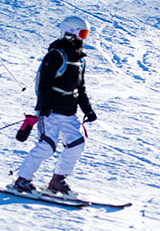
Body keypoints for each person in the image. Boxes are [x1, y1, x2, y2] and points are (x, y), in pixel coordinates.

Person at [11, 16, 97, 196]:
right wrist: (43, 107)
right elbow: (44, 83)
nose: (84, 38)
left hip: (69, 112)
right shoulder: (56, 55)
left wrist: (87, 109)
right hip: (50, 111)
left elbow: (80, 87)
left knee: (77, 144)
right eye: (83, 34)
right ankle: (23, 179)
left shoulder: (80, 59)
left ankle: (58, 180)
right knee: (47, 146)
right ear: (71, 33)